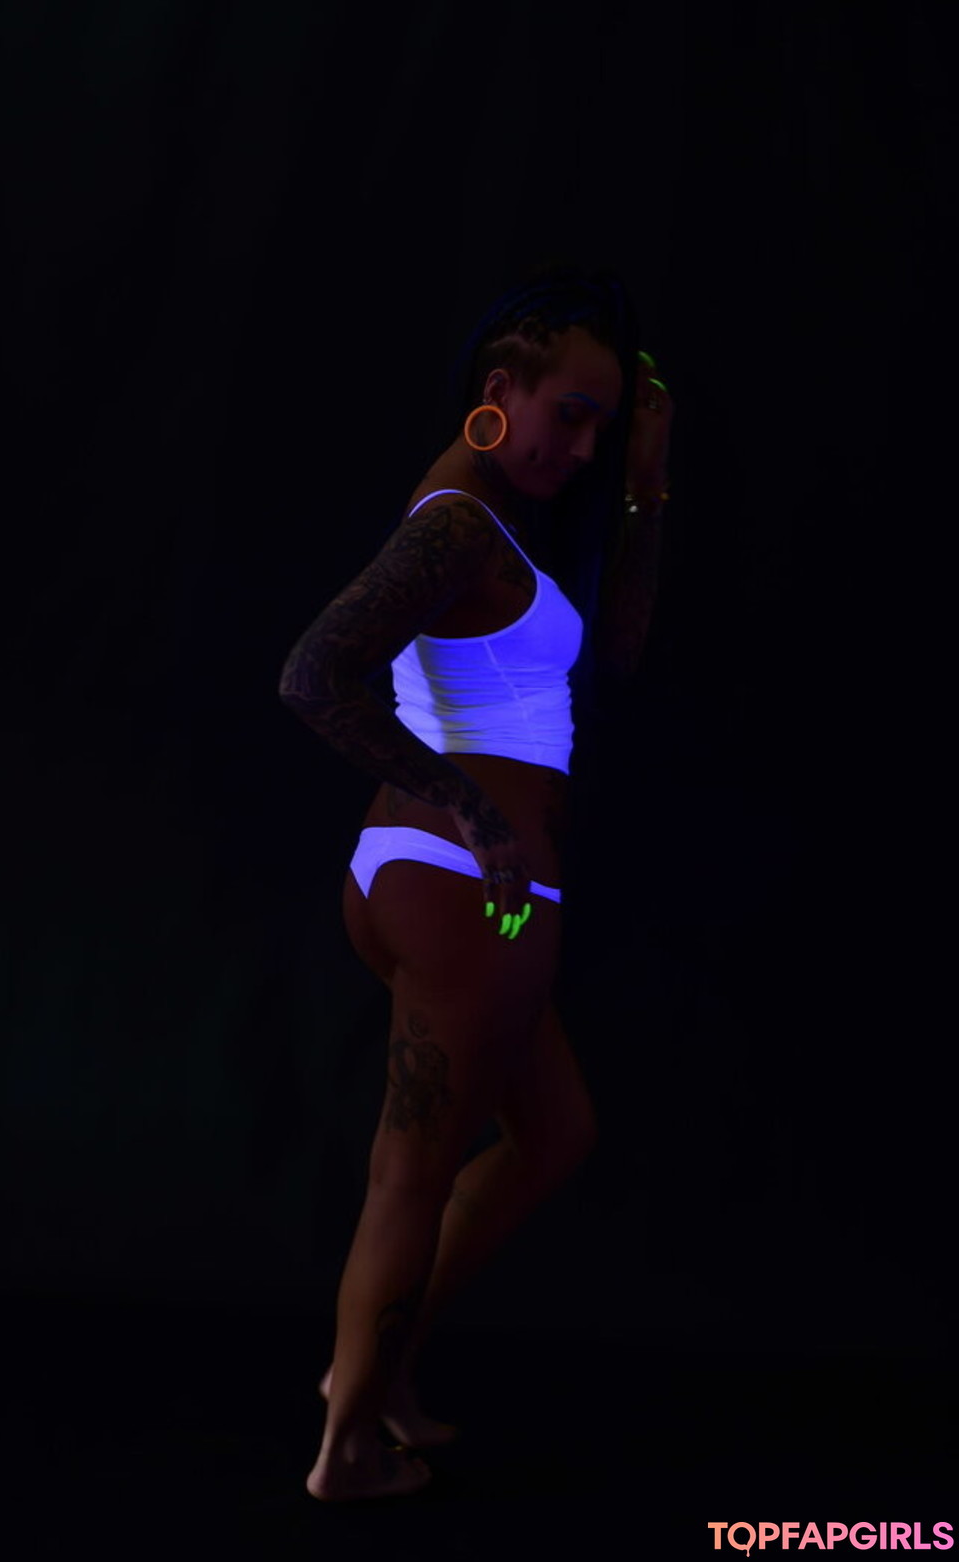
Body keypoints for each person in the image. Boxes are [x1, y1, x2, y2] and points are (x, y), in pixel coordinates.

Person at [278, 265, 673, 1502]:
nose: (582, 447)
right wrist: (471, 807)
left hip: (455, 881)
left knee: (554, 1131)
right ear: (502, 387)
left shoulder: (491, 528)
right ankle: (347, 1446)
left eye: (602, 424)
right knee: (410, 1170)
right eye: (572, 415)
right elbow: (314, 673)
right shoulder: (452, 523)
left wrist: (646, 483)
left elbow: (618, 650)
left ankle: (376, 1371)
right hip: (462, 884)